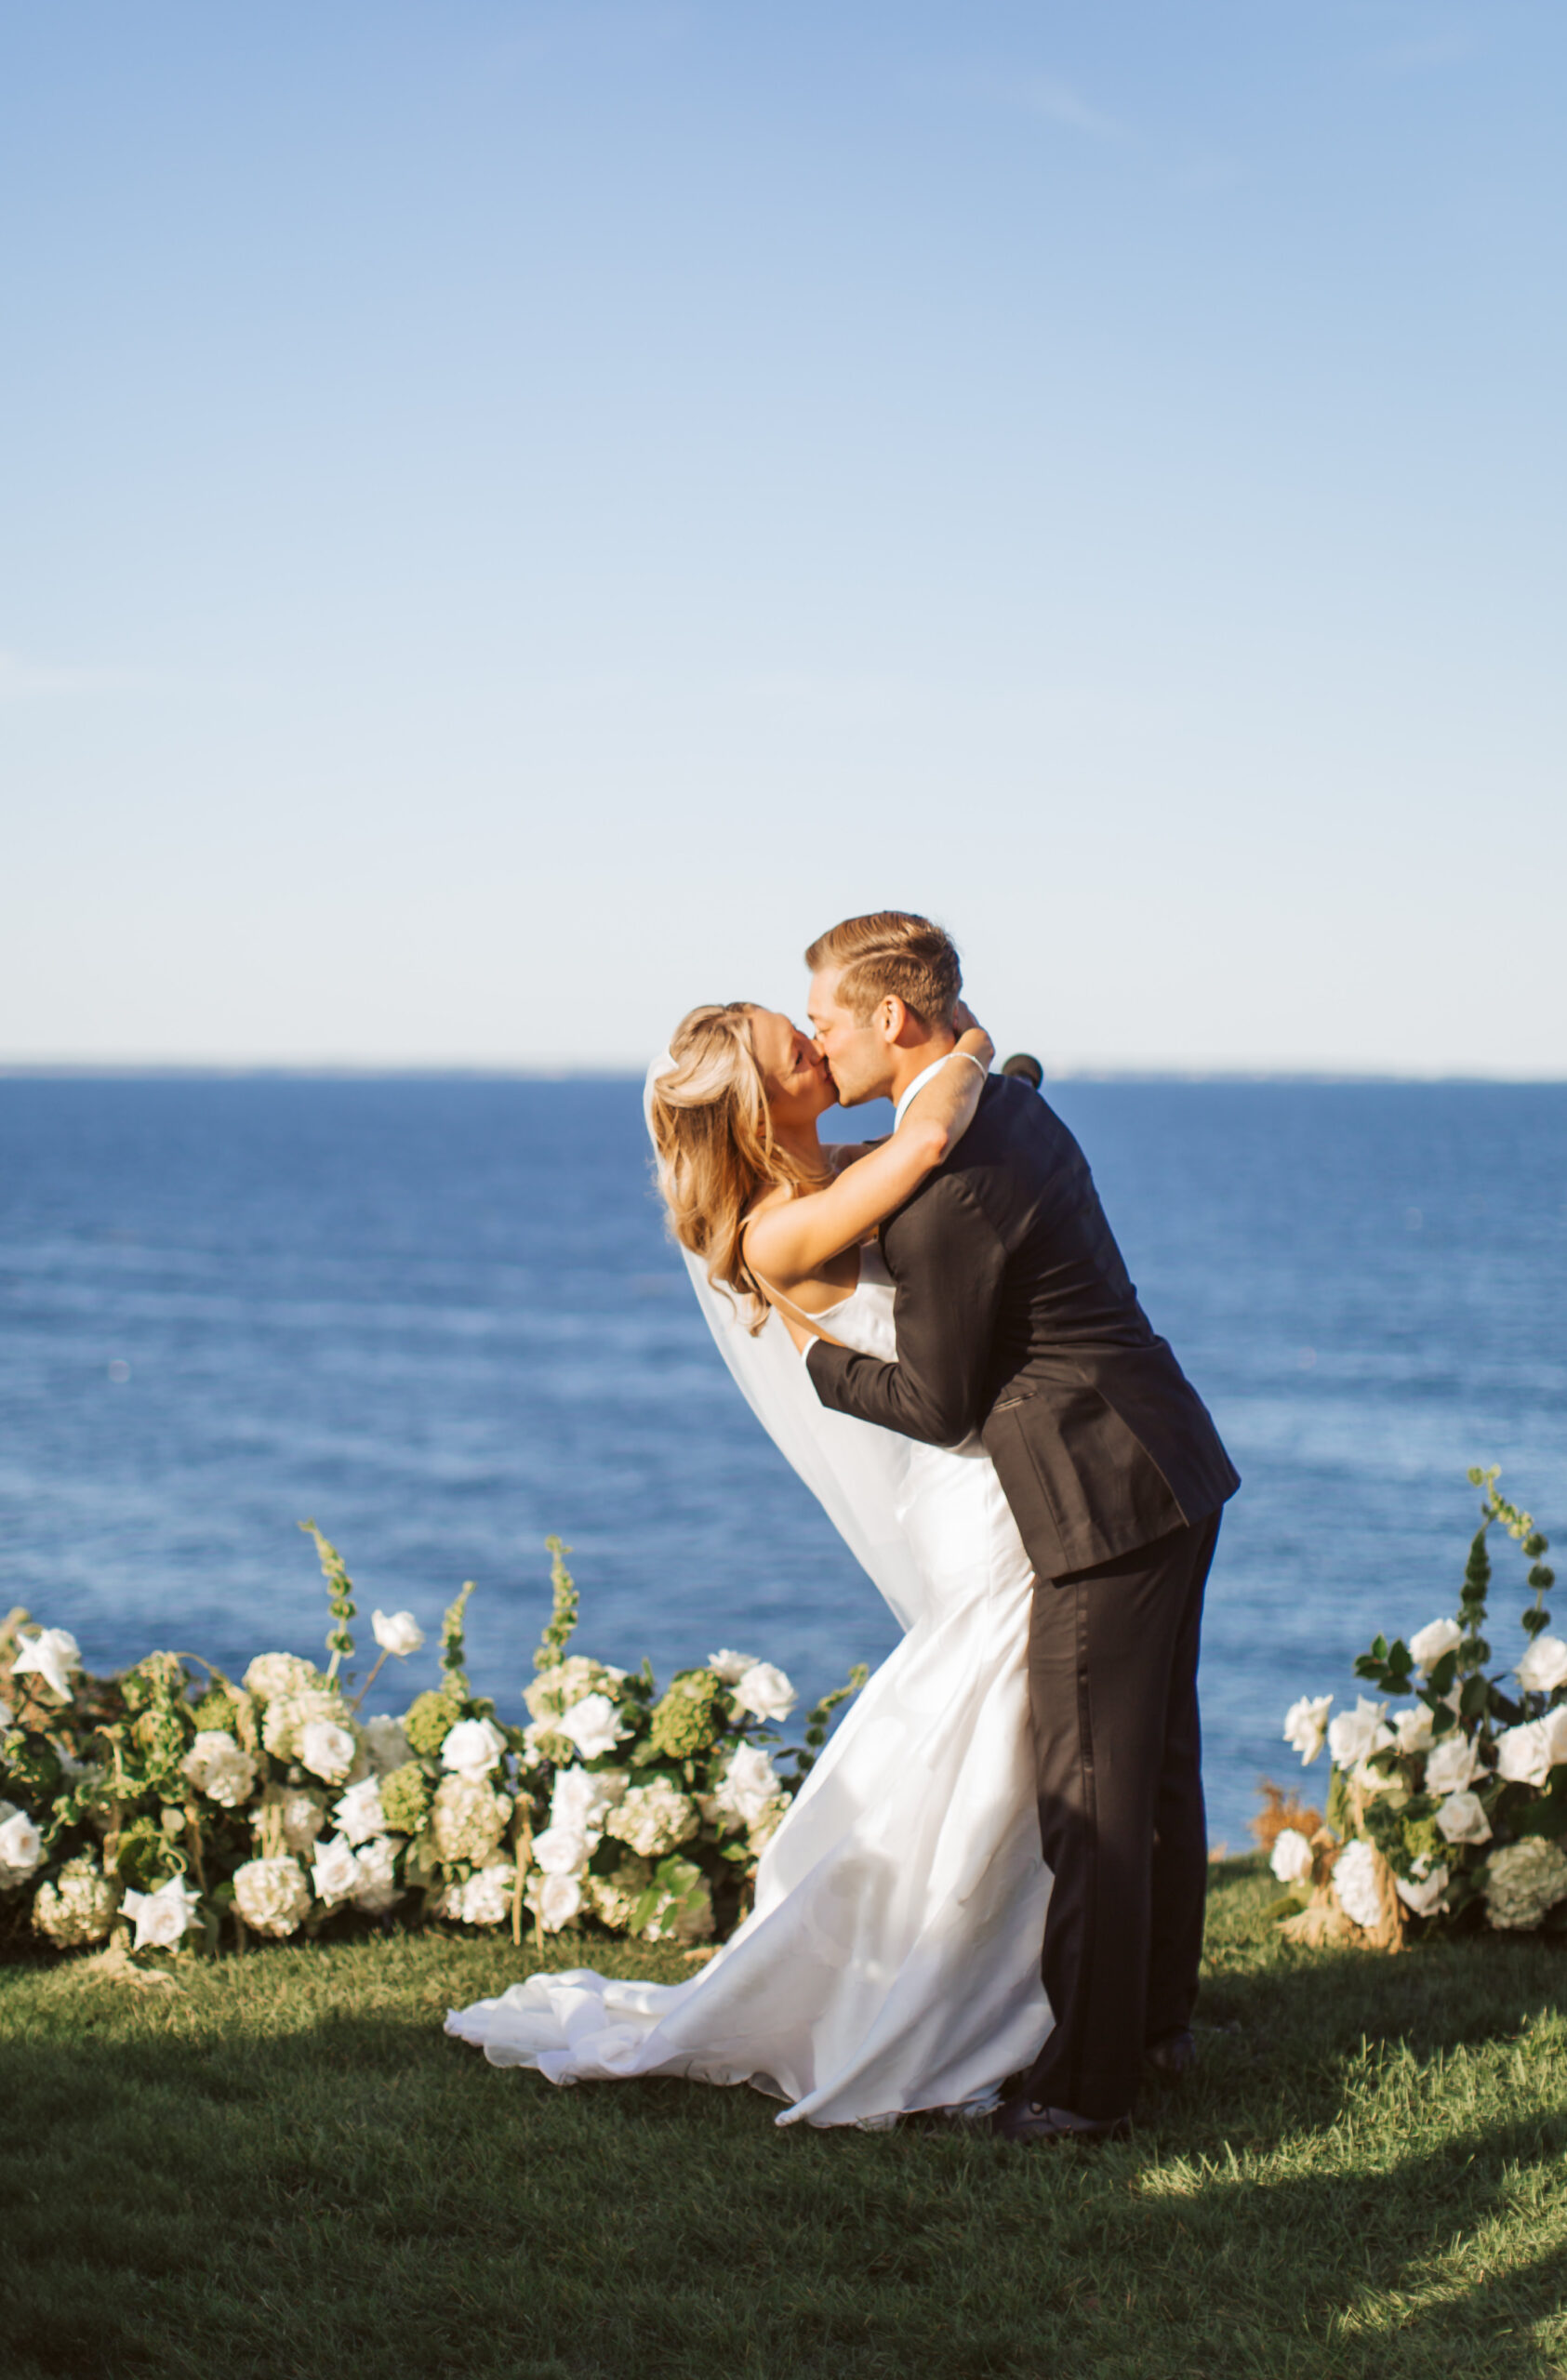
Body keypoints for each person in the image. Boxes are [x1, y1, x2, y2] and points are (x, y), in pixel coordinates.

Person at [445, 996, 1059, 2128]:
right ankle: (958, 1999)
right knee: (995, 1744)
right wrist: (962, 1045)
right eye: (798, 1049)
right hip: (975, 1502)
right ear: (758, 1102)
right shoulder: (779, 1226)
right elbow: (930, 1142)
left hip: (984, 1488)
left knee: (1006, 1748)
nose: (821, 1050)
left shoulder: (830, 1173)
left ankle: (1031, 1987)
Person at [797, 912, 1240, 2141]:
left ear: (890, 1018)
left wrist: (813, 1360)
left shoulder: (947, 1194)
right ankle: (1154, 2027)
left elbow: (937, 1406)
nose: (820, 1045)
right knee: (1150, 1772)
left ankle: (1083, 2096)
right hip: (1169, 1464)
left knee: (1088, 1793)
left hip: (1103, 1497)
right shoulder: (1001, 1096)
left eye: (827, 1019)